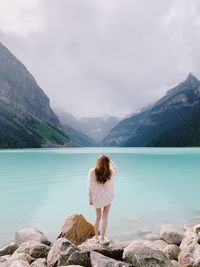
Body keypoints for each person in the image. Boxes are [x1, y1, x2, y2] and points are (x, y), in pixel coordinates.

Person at [87, 154, 117, 244]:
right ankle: (102, 238)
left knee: (98, 217)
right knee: (105, 217)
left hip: (97, 198)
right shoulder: (110, 172)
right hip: (107, 197)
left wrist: (90, 199)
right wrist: (110, 160)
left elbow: (90, 187)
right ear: (107, 163)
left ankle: (96, 237)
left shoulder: (92, 172)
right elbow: (115, 168)